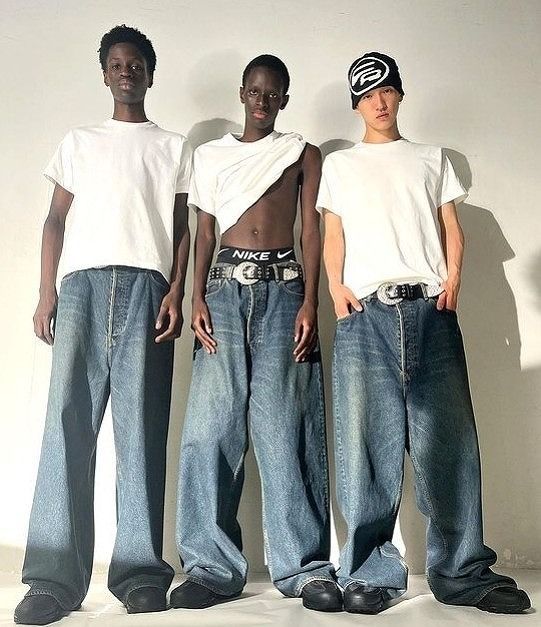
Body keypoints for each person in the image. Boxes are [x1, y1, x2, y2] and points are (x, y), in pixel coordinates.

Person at [317, 51, 531, 615]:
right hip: (365, 317)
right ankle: (368, 573)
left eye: (386, 90)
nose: (379, 102)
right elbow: (333, 233)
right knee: (366, 449)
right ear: (356, 104)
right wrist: (335, 287)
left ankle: (463, 573)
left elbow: (450, 226)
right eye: (368, 95)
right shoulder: (340, 165)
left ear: (399, 94)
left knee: (450, 446)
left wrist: (454, 277)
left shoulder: (432, 158)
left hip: (430, 310)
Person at [14, 25, 192, 625]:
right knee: (67, 426)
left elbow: (183, 229)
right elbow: (54, 220)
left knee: (140, 431)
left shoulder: (172, 146)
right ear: (104, 74)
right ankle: (51, 580)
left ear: (150, 73)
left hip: (147, 288)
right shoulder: (79, 141)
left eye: (136, 63)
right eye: (116, 64)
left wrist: (176, 290)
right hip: (82, 288)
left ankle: (139, 573)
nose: (126, 71)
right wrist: (47, 292)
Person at [171, 54, 341, 613]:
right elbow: (205, 231)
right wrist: (196, 296)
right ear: (241, 93)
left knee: (287, 428)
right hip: (222, 291)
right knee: (209, 430)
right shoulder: (211, 155)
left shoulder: (301, 152)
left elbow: (310, 229)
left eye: (273, 94)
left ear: (284, 100)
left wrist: (310, 300)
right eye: (255, 91)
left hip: (284, 290)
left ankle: (304, 568)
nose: (263, 101)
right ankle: (210, 567)